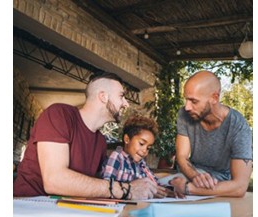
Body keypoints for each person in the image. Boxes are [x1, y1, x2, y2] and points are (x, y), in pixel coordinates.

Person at [13, 71, 160, 200]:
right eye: (121, 96)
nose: (126, 104)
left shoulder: (101, 141)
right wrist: (125, 189)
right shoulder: (59, 114)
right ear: (103, 96)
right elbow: (54, 180)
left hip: (69, 212)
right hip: (29, 208)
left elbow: (92, 184)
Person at [169, 70, 253, 197]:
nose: (187, 107)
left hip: (220, 185)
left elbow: (240, 187)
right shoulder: (185, 114)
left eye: (194, 101)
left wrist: (188, 188)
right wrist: (196, 176)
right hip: (188, 176)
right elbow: (181, 157)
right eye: (186, 100)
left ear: (214, 98)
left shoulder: (238, 126)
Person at [101, 115, 168, 198]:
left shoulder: (141, 164)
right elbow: (107, 186)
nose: (144, 150)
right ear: (127, 139)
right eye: (141, 144)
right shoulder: (117, 157)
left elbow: (154, 182)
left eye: (148, 148)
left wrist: (165, 190)